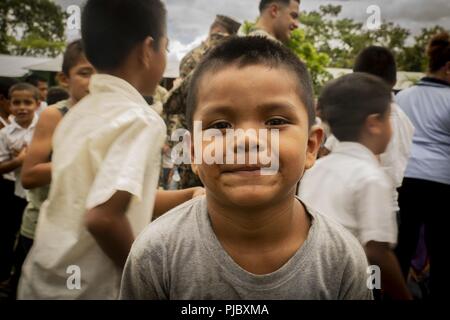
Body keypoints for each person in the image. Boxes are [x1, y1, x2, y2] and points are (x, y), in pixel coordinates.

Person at [119, 37, 372, 300]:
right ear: (193, 152)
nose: (247, 140)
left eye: (275, 121)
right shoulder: (155, 255)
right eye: (220, 126)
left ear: (310, 146)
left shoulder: (343, 262)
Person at [18, 0, 199, 300]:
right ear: (147, 50)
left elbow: (117, 197)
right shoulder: (140, 120)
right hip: (91, 290)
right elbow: (103, 217)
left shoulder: (77, 114)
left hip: (41, 280)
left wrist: (189, 196)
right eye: (165, 48)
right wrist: (145, 279)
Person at [299, 73, 412, 300]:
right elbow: (377, 253)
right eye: (389, 118)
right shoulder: (372, 178)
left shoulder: (316, 170)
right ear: (374, 124)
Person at [7, 40, 96, 299]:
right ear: (64, 78)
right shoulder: (56, 115)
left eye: (102, 73)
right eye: (85, 72)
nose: (94, 81)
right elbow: (30, 175)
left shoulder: (110, 117)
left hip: (82, 232)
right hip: (42, 229)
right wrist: (83, 158)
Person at [324, 46, 415, 215]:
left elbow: (328, 152)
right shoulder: (404, 120)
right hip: (389, 206)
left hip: (357, 207)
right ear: (394, 82)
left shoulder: (358, 115)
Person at [395, 32, 450, 299]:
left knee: (402, 245)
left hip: (406, 179)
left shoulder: (402, 97)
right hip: (442, 183)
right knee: (441, 249)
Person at [163, 15, 241, 190]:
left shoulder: (191, 56)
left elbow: (172, 104)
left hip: (187, 140)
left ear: (213, 29)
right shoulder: (232, 54)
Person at [0, 83, 40, 288]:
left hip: (41, 196)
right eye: (16, 102)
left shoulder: (44, 128)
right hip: (18, 193)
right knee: (11, 235)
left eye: (27, 102)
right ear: (9, 104)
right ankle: (10, 278)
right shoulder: (6, 134)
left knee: (34, 239)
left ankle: (28, 278)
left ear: (37, 104)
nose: (22, 107)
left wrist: (30, 157)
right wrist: (19, 160)